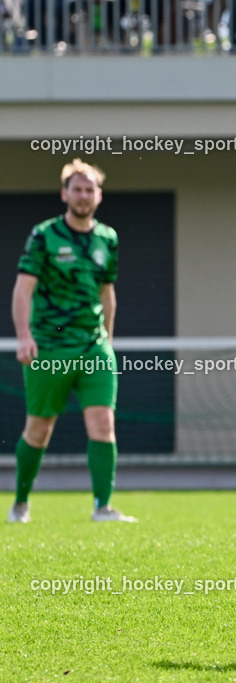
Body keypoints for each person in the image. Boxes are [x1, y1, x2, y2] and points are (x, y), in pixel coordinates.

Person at [8, 159, 136, 524]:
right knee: (40, 428)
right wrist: (23, 336)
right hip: (49, 345)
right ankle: (20, 503)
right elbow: (23, 290)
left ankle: (103, 507)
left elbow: (107, 294)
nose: (83, 196)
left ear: (99, 195)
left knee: (102, 423)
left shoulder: (107, 239)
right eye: (77, 189)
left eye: (89, 189)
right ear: (65, 194)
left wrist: (107, 341)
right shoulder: (44, 235)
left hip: (93, 346)